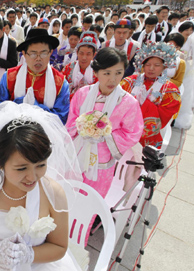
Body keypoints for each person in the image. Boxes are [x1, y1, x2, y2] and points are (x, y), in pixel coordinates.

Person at [0, 102, 82, 270]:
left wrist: (30, 254)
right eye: (21, 168)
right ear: (1, 163)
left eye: (41, 165)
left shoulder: (54, 193)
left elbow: (60, 246)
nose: (32, 177)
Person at [66, 47, 143, 199]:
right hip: (77, 154)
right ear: (96, 72)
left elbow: (132, 132)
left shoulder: (128, 103)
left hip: (102, 162)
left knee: (91, 202)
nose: (113, 79)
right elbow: (71, 121)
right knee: (69, 197)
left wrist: (105, 133)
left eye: (118, 73)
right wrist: (83, 127)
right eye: (107, 73)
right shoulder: (83, 94)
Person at [0, 28, 70, 124]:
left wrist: (37, 107)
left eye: (43, 53)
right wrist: (18, 104)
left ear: (50, 52)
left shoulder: (60, 82)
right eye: (33, 54)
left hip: (45, 136)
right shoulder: (9, 77)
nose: (38, 59)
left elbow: (61, 117)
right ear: (24, 54)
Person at [120, 42, 181, 148]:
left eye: (157, 65)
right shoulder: (128, 82)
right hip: (122, 130)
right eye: (147, 65)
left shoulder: (171, 91)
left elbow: (163, 119)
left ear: (164, 67)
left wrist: (145, 104)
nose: (151, 68)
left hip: (149, 139)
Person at [62, 31, 99, 100]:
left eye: (88, 54)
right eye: (81, 53)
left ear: (94, 55)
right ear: (77, 52)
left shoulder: (98, 71)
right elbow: (61, 87)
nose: (84, 57)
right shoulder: (68, 68)